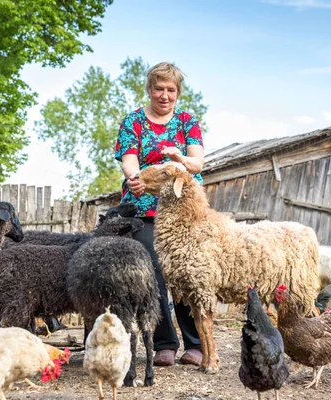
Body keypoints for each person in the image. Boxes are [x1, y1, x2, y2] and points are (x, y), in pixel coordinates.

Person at [114, 61, 205, 367]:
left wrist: (179, 156)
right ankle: (165, 341)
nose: (164, 95)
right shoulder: (134, 121)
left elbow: (197, 164)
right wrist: (134, 177)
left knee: (187, 273)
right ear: (149, 89)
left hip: (182, 209)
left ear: (177, 93)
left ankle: (197, 343)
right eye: (159, 88)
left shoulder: (187, 121)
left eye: (171, 90)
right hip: (144, 208)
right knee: (153, 271)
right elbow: (128, 159)